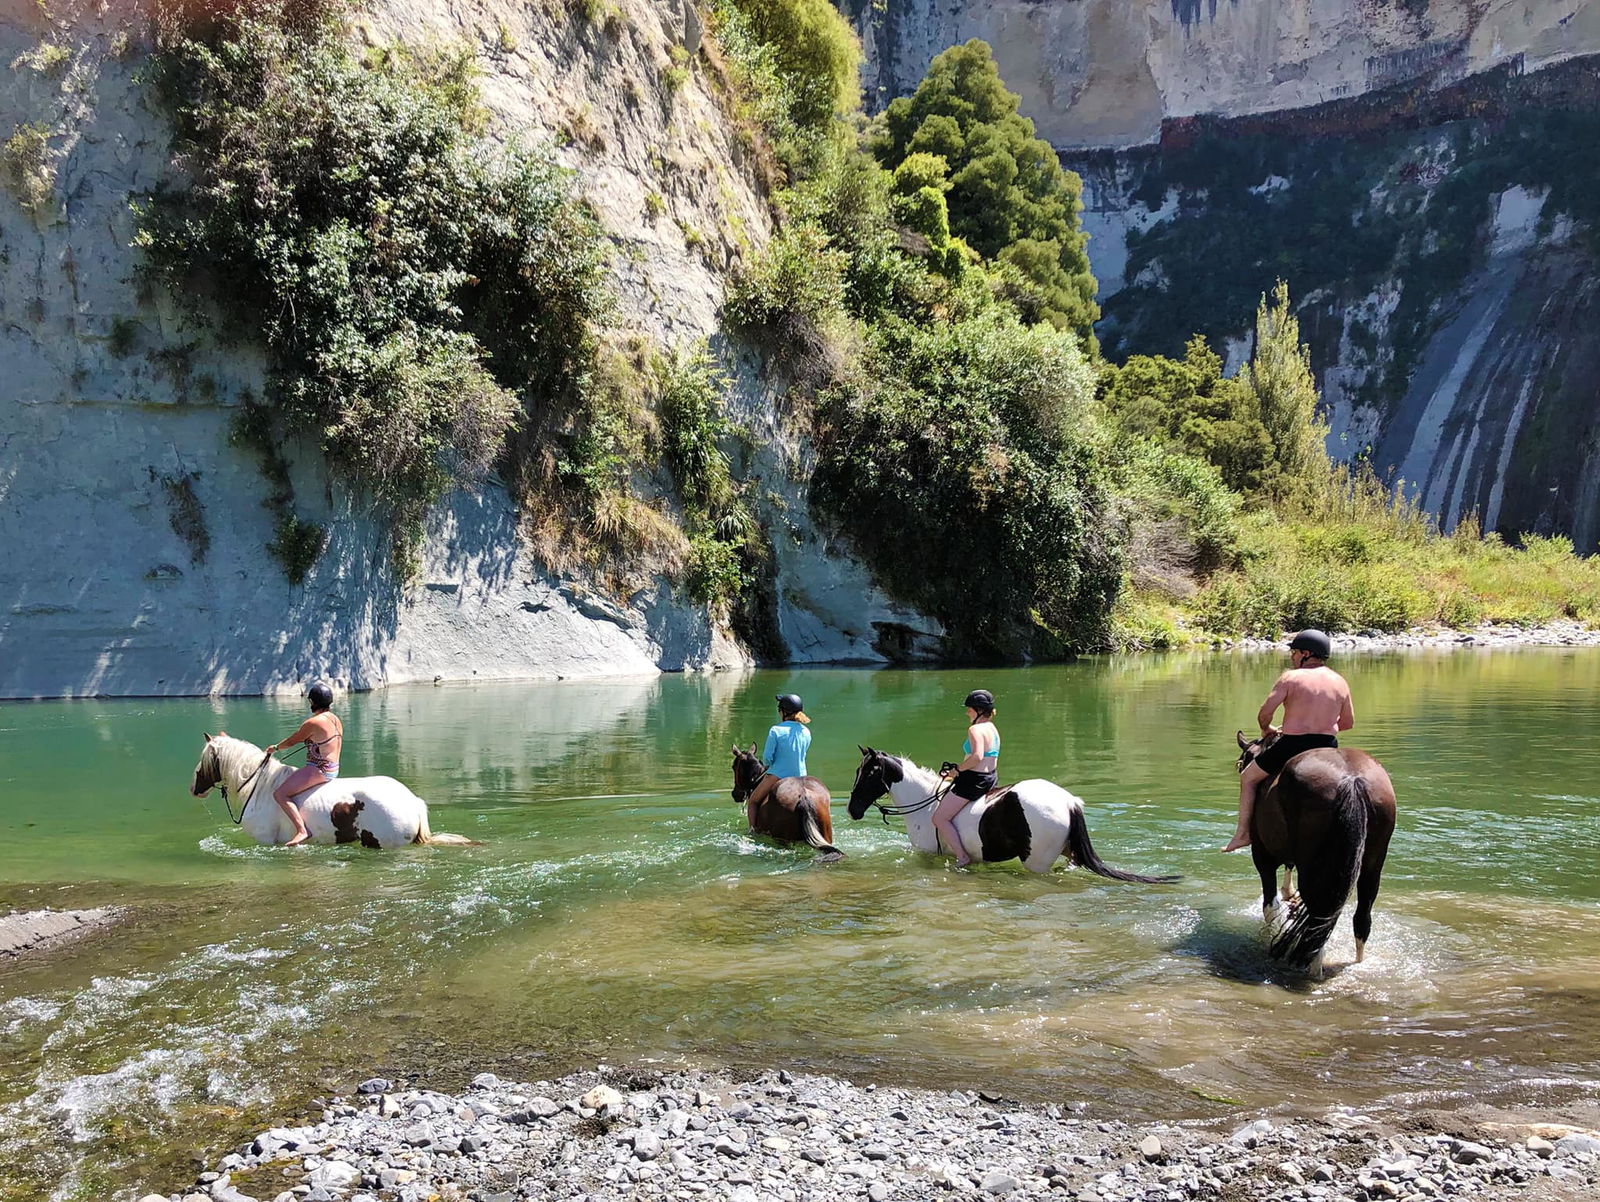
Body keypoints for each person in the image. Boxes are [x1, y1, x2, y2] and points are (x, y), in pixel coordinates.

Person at [1224, 630, 1354, 852]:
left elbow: (1265, 714)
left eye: (1294, 652)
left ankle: (1243, 834)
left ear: (1306, 653)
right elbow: (1348, 723)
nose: (1292, 657)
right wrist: (1322, 728)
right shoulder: (1340, 681)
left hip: (1293, 745)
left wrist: (1268, 730)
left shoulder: (1291, 678)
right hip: (1328, 748)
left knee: (1248, 777)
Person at [264, 680, 343, 847]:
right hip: (334, 768)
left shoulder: (313, 722)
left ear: (313, 702)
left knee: (280, 794)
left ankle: (302, 830)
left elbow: (292, 741)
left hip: (319, 770)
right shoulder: (335, 719)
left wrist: (275, 748)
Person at [935, 689, 1000, 868]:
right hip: (991, 777)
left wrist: (956, 771)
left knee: (939, 818)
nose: (967, 712)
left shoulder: (975, 729)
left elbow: (977, 757)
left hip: (974, 781)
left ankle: (962, 857)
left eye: (969, 709)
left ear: (978, 710)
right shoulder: (992, 728)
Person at [745, 694, 811, 823]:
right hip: (802, 776)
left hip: (778, 775)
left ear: (783, 712)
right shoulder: (806, 731)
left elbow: (768, 758)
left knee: (753, 801)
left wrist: (769, 765)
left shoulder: (776, 730)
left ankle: (752, 831)